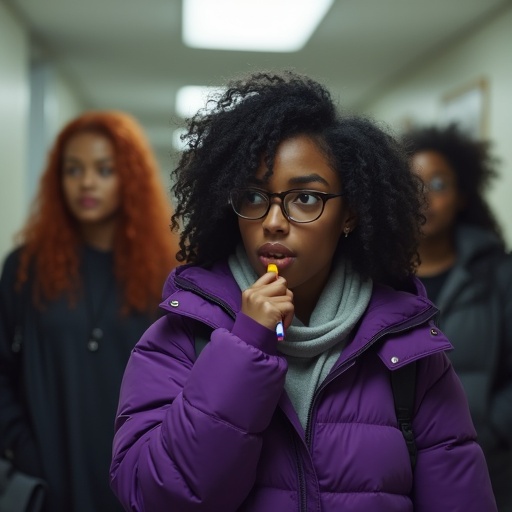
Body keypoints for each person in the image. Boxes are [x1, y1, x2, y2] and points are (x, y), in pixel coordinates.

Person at [110, 71, 497, 511]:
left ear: (349, 214)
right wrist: (244, 347)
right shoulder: (179, 338)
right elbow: (154, 495)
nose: (273, 221)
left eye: (306, 199)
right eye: (255, 197)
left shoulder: (409, 354)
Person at [0, 110, 180, 512]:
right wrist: (22, 446)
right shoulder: (26, 268)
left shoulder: (167, 271)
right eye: (73, 169)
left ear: (129, 179)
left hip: (141, 479)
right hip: (48, 480)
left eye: (104, 170)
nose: (86, 182)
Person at [402, 123, 512, 511]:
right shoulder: (377, 279)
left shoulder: (500, 273)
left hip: (489, 465)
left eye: (438, 185)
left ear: (462, 195)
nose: (425, 198)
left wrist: (493, 425)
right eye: (414, 185)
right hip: (398, 469)